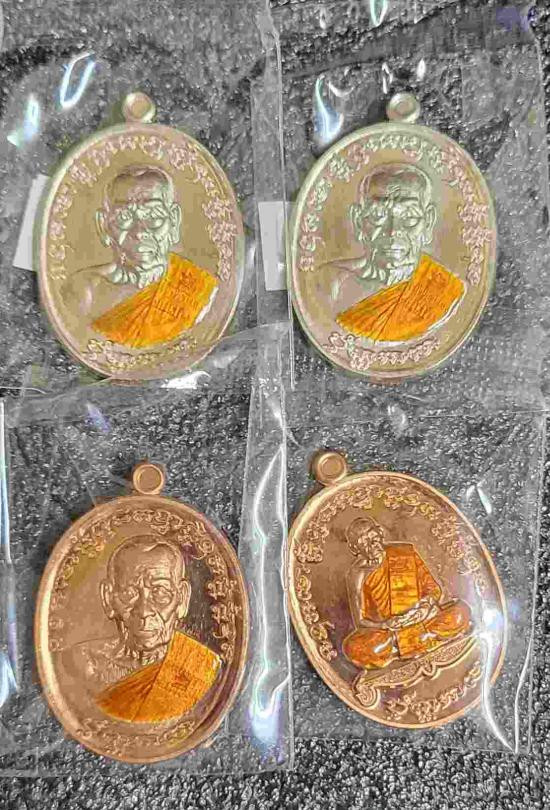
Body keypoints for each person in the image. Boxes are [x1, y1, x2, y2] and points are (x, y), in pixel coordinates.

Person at [62, 164, 218, 349]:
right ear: (103, 225)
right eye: (125, 216)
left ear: (174, 221)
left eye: (153, 215)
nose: (140, 231)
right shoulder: (84, 291)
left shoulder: (199, 288)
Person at [70, 535, 221, 723]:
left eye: (160, 592)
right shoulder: (83, 662)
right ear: (108, 598)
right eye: (129, 592)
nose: (144, 611)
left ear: (182, 599)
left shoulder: (200, 666)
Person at [336, 164, 464, 343]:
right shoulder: (331, 282)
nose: (393, 231)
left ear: (428, 222)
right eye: (378, 215)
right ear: (358, 221)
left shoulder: (445, 291)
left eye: (409, 217)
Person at [342, 516, 471, 670]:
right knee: (354, 648)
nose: (372, 543)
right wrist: (385, 624)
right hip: (391, 631)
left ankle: (402, 649)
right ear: (355, 548)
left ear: (380, 532)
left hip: (423, 617)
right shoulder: (357, 575)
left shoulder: (403, 552)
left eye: (373, 536)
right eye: (364, 542)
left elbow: (433, 589)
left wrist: (425, 607)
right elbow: (360, 621)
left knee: (460, 612)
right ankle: (423, 640)